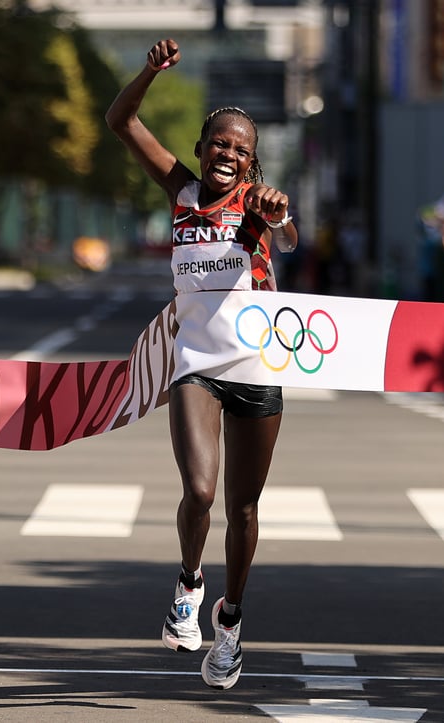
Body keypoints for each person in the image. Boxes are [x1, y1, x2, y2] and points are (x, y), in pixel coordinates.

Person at [105, 38, 298, 690]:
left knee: (244, 510)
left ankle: (232, 622)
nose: (229, 154)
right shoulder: (181, 191)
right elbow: (121, 123)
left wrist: (280, 215)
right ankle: (188, 584)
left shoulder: (259, 205)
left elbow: (291, 233)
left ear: (252, 163)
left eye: (242, 149)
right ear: (200, 147)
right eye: (220, 142)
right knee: (201, 490)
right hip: (197, 365)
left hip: (259, 369)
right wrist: (152, 71)